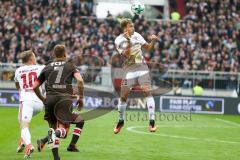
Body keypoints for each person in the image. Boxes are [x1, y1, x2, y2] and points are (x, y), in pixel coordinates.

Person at [33, 45, 85, 160]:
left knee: (53, 129)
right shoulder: (70, 66)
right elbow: (80, 81)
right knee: (63, 131)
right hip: (63, 100)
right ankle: (44, 141)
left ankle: (59, 154)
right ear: (65, 54)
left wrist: (42, 99)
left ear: (53, 54)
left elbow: (35, 86)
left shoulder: (47, 67)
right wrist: (81, 98)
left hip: (50, 100)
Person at [114, 18, 159, 134]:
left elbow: (148, 48)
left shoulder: (137, 35)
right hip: (129, 69)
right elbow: (127, 55)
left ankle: (152, 121)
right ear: (125, 28)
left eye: (133, 26)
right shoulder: (118, 40)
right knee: (123, 96)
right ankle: (120, 121)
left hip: (141, 67)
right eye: (131, 26)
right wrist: (129, 41)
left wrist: (153, 41)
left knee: (147, 91)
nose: (133, 28)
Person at [15, 50, 45, 159]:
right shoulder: (41, 68)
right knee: (21, 120)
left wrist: (22, 91)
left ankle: (28, 145)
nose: (36, 57)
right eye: (34, 56)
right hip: (39, 101)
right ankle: (22, 141)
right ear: (32, 59)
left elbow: (17, 85)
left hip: (27, 99)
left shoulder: (18, 70)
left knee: (23, 124)